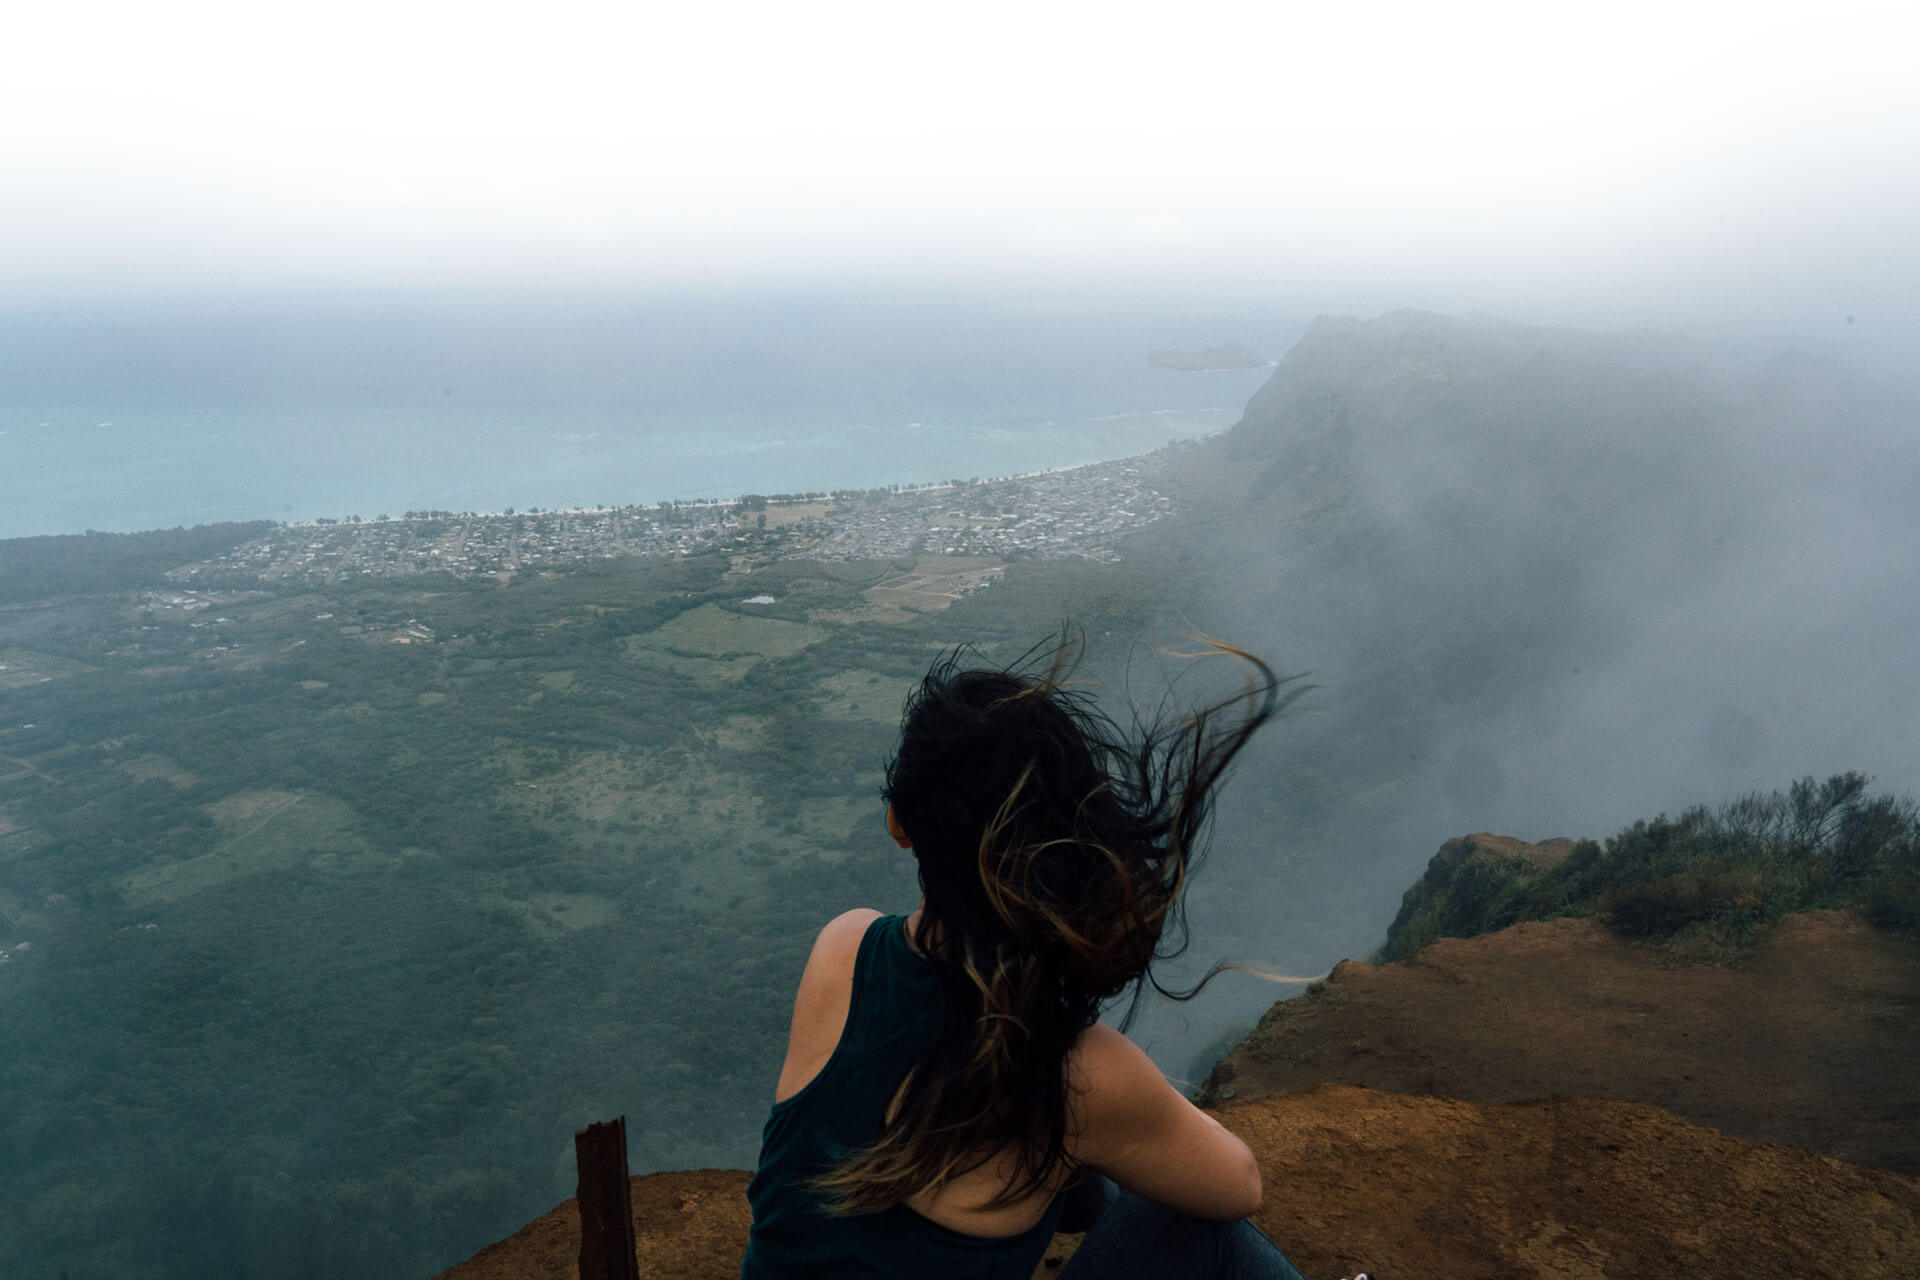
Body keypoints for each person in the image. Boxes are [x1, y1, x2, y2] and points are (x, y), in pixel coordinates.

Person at [741, 637, 1315, 1279]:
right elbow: (1239, 1184)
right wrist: (1101, 1131)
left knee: (1075, 1165)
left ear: (900, 825)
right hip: (1081, 1113)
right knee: (1199, 1231)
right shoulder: (1077, 1077)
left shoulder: (842, 948)